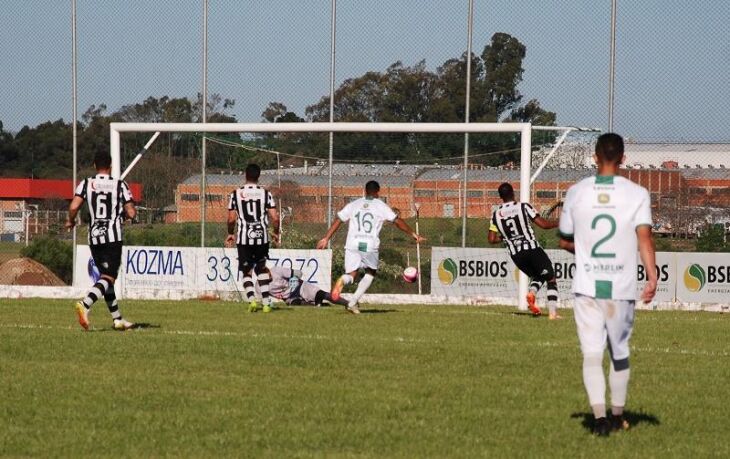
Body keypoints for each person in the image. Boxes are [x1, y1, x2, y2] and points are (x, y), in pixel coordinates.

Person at [558, 132, 657, 436]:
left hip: (587, 286)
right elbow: (644, 238)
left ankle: (599, 419)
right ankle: (617, 415)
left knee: (591, 353)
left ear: (594, 157)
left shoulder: (576, 192)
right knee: (619, 351)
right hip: (621, 287)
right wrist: (652, 275)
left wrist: (584, 250)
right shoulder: (637, 193)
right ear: (624, 158)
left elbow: (565, 238)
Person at [316, 180, 425, 314]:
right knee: (371, 272)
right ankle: (353, 301)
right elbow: (397, 221)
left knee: (351, 274)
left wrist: (326, 238)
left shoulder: (354, 204)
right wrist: (413, 234)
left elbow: (339, 220)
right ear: (378, 192)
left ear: (365, 190)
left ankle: (342, 281)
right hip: (369, 244)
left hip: (352, 244)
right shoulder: (380, 205)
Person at [66, 151, 136, 331]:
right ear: (111, 166)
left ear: (95, 166)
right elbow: (131, 211)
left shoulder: (86, 183)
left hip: (94, 237)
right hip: (112, 237)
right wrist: (129, 216)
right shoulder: (120, 185)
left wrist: (71, 221)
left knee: (106, 278)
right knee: (109, 277)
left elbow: (74, 206)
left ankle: (117, 319)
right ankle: (85, 304)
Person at [488, 182, 561, 319]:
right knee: (551, 278)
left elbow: (491, 239)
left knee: (538, 276)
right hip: (532, 249)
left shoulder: (495, 215)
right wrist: (560, 222)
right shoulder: (523, 206)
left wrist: (506, 238)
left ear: (500, 197)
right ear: (513, 193)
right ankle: (552, 313)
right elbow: (543, 225)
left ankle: (532, 293)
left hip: (516, 255)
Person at [225, 163, 280, 313]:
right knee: (261, 268)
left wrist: (230, 233)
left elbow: (231, 219)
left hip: (244, 238)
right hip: (262, 238)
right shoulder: (266, 193)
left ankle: (252, 300)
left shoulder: (235, 194)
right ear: (258, 176)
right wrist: (276, 232)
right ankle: (267, 303)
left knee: (246, 271)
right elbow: (275, 217)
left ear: (245, 175)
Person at [267, 265, 349, 307]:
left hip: (301, 287)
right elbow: (265, 301)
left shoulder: (276, 270)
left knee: (320, 294)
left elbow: (299, 273)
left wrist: (292, 286)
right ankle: (319, 305)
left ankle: (348, 303)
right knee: (296, 304)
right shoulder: (259, 286)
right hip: (289, 298)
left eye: (266, 273)